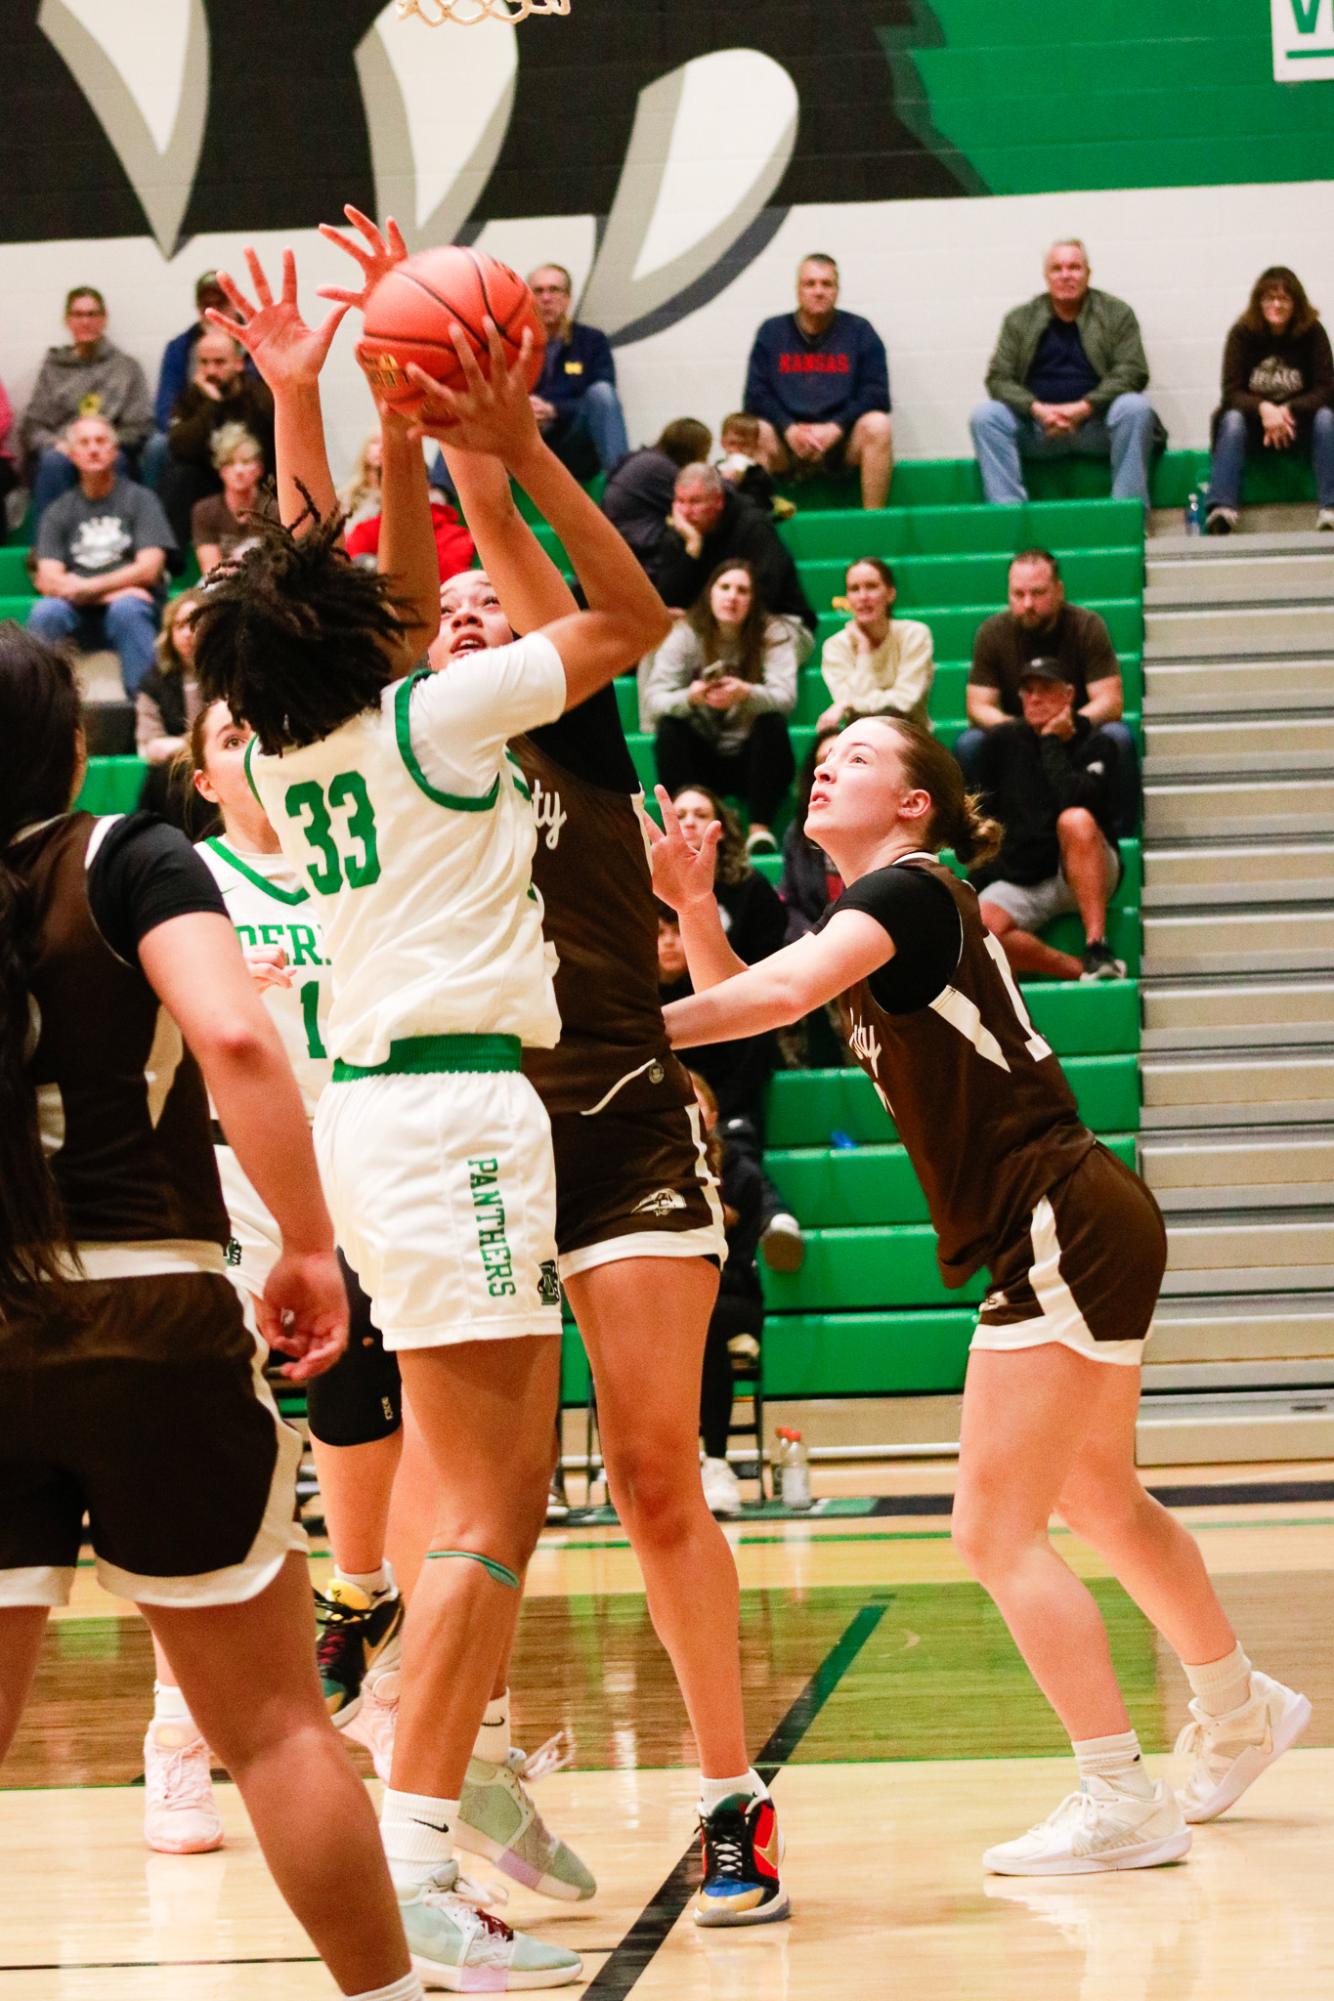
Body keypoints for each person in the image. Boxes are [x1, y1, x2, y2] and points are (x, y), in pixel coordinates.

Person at [195, 227, 668, 1987]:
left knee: (489, 1506)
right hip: (454, 1120)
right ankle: (411, 1856)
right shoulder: (439, 723)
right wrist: (510, 440)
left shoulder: (304, 737)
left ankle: (427, 1832)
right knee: (481, 1513)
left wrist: (349, 413)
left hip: (394, 1119)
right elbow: (629, 620)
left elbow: (350, 589)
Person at [651, 721, 1311, 1875]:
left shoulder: (908, 894)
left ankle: (1118, 1792)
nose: (823, 759)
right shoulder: (876, 925)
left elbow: (765, 1000)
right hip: (1077, 1216)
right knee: (1099, 1499)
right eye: (824, 749)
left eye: (857, 755)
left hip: (1055, 1211)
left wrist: (611, 1036)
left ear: (912, 806)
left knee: (991, 1531)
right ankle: (1238, 1708)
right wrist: (696, 913)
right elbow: (759, 997)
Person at [0, 627, 427, 2001]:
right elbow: (238, 1037)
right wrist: (306, 1241)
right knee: (273, 1730)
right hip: (154, 1313)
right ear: (73, 742)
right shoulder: (129, 852)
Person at [661, 789, 802, 1273]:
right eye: (680, 815)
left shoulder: (751, 891)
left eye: (702, 813)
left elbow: (763, 996)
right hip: (669, 1063)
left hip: (737, 1051)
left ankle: (768, 1222)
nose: (692, 822)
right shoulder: (646, 890)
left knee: (731, 1145)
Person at [957, 548, 1138, 836]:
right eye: (1018, 594)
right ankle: (980, 835)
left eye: (1038, 593)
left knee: (1119, 737)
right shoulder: (991, 632)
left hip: (1072, 733)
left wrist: (1066, 725)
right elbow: (978, 707)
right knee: (970, 744)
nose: (1027, 603)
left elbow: (1110, 702)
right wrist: (1021, 728)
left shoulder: (1087, 626)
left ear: (1059, 590)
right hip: (1016, 736)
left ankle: (1121, 835)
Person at [970, 241, 1159, 507]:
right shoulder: (1019, 319)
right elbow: (998, 378)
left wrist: (1083, 407)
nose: (1066, 275)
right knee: (985, 417)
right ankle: (1008, 515)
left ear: (1088, 274)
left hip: (1097, 426)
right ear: (1047, 277)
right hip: (1038, 428)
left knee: (1135, 407)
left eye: (1074, 267)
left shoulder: (1117, 313)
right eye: (1057, 269)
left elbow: (1134, 371)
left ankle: (1127, 515)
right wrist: (1038, 410)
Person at [973, 660, 1126, 983]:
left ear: (1068, 695)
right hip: (1026, 877)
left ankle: (1097, 945)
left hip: (1085, 868)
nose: (1035, 698)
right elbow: (983, 814)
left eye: (1046, 689)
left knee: (1075, 820)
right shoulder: (1002, 743)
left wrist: (1051, 742)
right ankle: (1081, 970)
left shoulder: (1097, 742)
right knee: (976, 928)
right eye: (1028, 690)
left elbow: (1074, 798)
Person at [644, 560, 799, 854]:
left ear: (753, 601)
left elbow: (785, 697)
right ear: (710, 593)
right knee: (669, 729)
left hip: (752, 757)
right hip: (701, 756)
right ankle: (684, 830)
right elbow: (654, 700)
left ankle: (759, 830)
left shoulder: (772, 632)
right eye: (724, 587)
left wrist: (745, 693)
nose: (732, 597)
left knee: (773, 724)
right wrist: (691, 698)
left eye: (742, 590)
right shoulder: (685, 633)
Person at [27, 414, 174, 697]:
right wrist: (108, 591)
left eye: (101, 440)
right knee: (46, 611)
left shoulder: (141, 500)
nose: (93, 448)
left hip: (132, 610)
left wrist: (83, 587)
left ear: (114, 450)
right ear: (72, 454)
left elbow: (150, 569)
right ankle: (35, 708)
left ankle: (147, 712)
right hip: (78, 612)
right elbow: (47, 580)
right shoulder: (58, 511)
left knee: (127, 609)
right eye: (84, 442)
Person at [743, 254, 893, 509]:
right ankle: (758, 531)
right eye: (810, 284)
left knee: (878, 425)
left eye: (826, 284)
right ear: (798, 290)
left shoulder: (859, 330)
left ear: (837, 290)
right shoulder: (772, 331)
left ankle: (871, 536)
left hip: (841, 441)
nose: (818, 291)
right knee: (755, 429)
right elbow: (755, 396)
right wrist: (789, 428)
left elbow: (877, 394)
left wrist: (836, 427)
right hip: (787, 441)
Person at [690, 1072, 766, 1522]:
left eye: (697, 1104)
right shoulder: (655, 1171)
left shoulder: (742, 1174)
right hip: (673, 1302)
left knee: (706, 1320)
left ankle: (715, 1462)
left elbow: (742, 1260)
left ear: (713, 1116)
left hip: (731, 1295)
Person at [1205, 266, 1334, 534]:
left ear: (1295, 303)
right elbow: (1231, 391)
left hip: (1298, 425)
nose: (1276, 304)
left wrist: (1286, 409)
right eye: (1269, 298)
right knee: (1231, 419)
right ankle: (1221, 510)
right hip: (1254, 428)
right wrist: (1264, 409)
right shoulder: (1241, 333)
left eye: (1284, 298)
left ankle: (1330, 508)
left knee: (1326, 418)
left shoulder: (1313, 332)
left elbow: (1326, 389)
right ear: (1259, 302)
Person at [647, 462, 816, 647]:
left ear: (718, 501)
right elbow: (669, 603)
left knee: (749, 645)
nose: (686, 512)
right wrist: (693, 548)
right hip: (711, 627)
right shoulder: (680, 534)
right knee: (660, 643)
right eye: (680, 501)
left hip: (776, 622)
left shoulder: (753, 526)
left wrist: (701, 615)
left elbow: (766, 595)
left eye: (695, 502)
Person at [20, 286, 155, 516]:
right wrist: (61, 445)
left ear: (104, 319)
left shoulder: (126, 367)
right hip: (62, 449)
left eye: (92, 314)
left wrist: (101, 445)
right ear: (67, 320)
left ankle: (118, 545)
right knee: (52, 461)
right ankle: (49, 548)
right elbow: (32, 427)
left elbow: (141, 425)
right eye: (78, 315)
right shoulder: (53, 368)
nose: (86, 321)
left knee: (116, 460)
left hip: (112, 450)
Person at [160, 326, 275, 549]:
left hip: (259, 480)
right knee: (178, 475)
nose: (210, 370)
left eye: (219, 362)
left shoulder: (260, 397)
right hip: (211, 482)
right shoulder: (193, 398)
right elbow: (177, 447)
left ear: (239, 363)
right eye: (204, 362)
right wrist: (211, 406)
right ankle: (172, 560)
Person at [527, 263, 629, 477]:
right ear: (528, 298)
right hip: (523, 440)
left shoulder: (591, 341)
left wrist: (554, 410)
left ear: (567, 298)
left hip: (573, 444)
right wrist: (525, 410)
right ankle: (440, 494)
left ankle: (622, 482)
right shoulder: (514, 343)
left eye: (554, 290)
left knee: (601, 392)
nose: (546, 298)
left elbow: (602, 403)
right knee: (468, 403)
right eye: (538, 291)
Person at [817, 557, 935, 731]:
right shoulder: (835, 646)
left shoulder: (914, 635)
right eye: (854, 589)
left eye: (871, 586)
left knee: (892, 715)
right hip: (860, 734)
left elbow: (903, 702)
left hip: (912, 736)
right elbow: (853, 708)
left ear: (890, 594)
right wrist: (864, 650)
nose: (863, 597)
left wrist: (848, 703)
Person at [135, 588, 209, 829]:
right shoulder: (153, 681)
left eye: (194, 623)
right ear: (169, 633)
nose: (187, 633)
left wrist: (177, 745)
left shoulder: (230, 675)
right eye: (179, 626)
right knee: (168, 776)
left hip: (219, 770)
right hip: (172, 777)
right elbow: (150, 746)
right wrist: (194, 745)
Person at [600, 416, 712, 563]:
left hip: (618, 539)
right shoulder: (662, 469)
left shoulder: (647, 459)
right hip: (633, 546)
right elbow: (705, 497)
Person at [154, 270, 239, 433]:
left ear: (233, 303)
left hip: (248, 427)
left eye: (220, 304)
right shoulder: (179, 348)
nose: (213, 313)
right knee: (158, 445)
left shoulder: (259, 343)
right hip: (197, 426)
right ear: (198, 308)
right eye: (207, 306)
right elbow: (165, 410)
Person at [191, 423, 275, 574]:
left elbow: (279, 565)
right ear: (221, 471)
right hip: (222, 586)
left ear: (259, 469)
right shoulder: (204, 511)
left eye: (246, 462)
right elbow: (211, 570)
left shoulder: (276, 510)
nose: (238, 470)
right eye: (230, 463)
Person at [715, 412, 784, 518]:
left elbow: (762, 505)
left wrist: (738, 481)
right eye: (732, 443)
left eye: (745, 445)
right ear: (723, 443)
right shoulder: (716, 471)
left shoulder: (759, 474)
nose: (737, 449)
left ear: (755, 446)